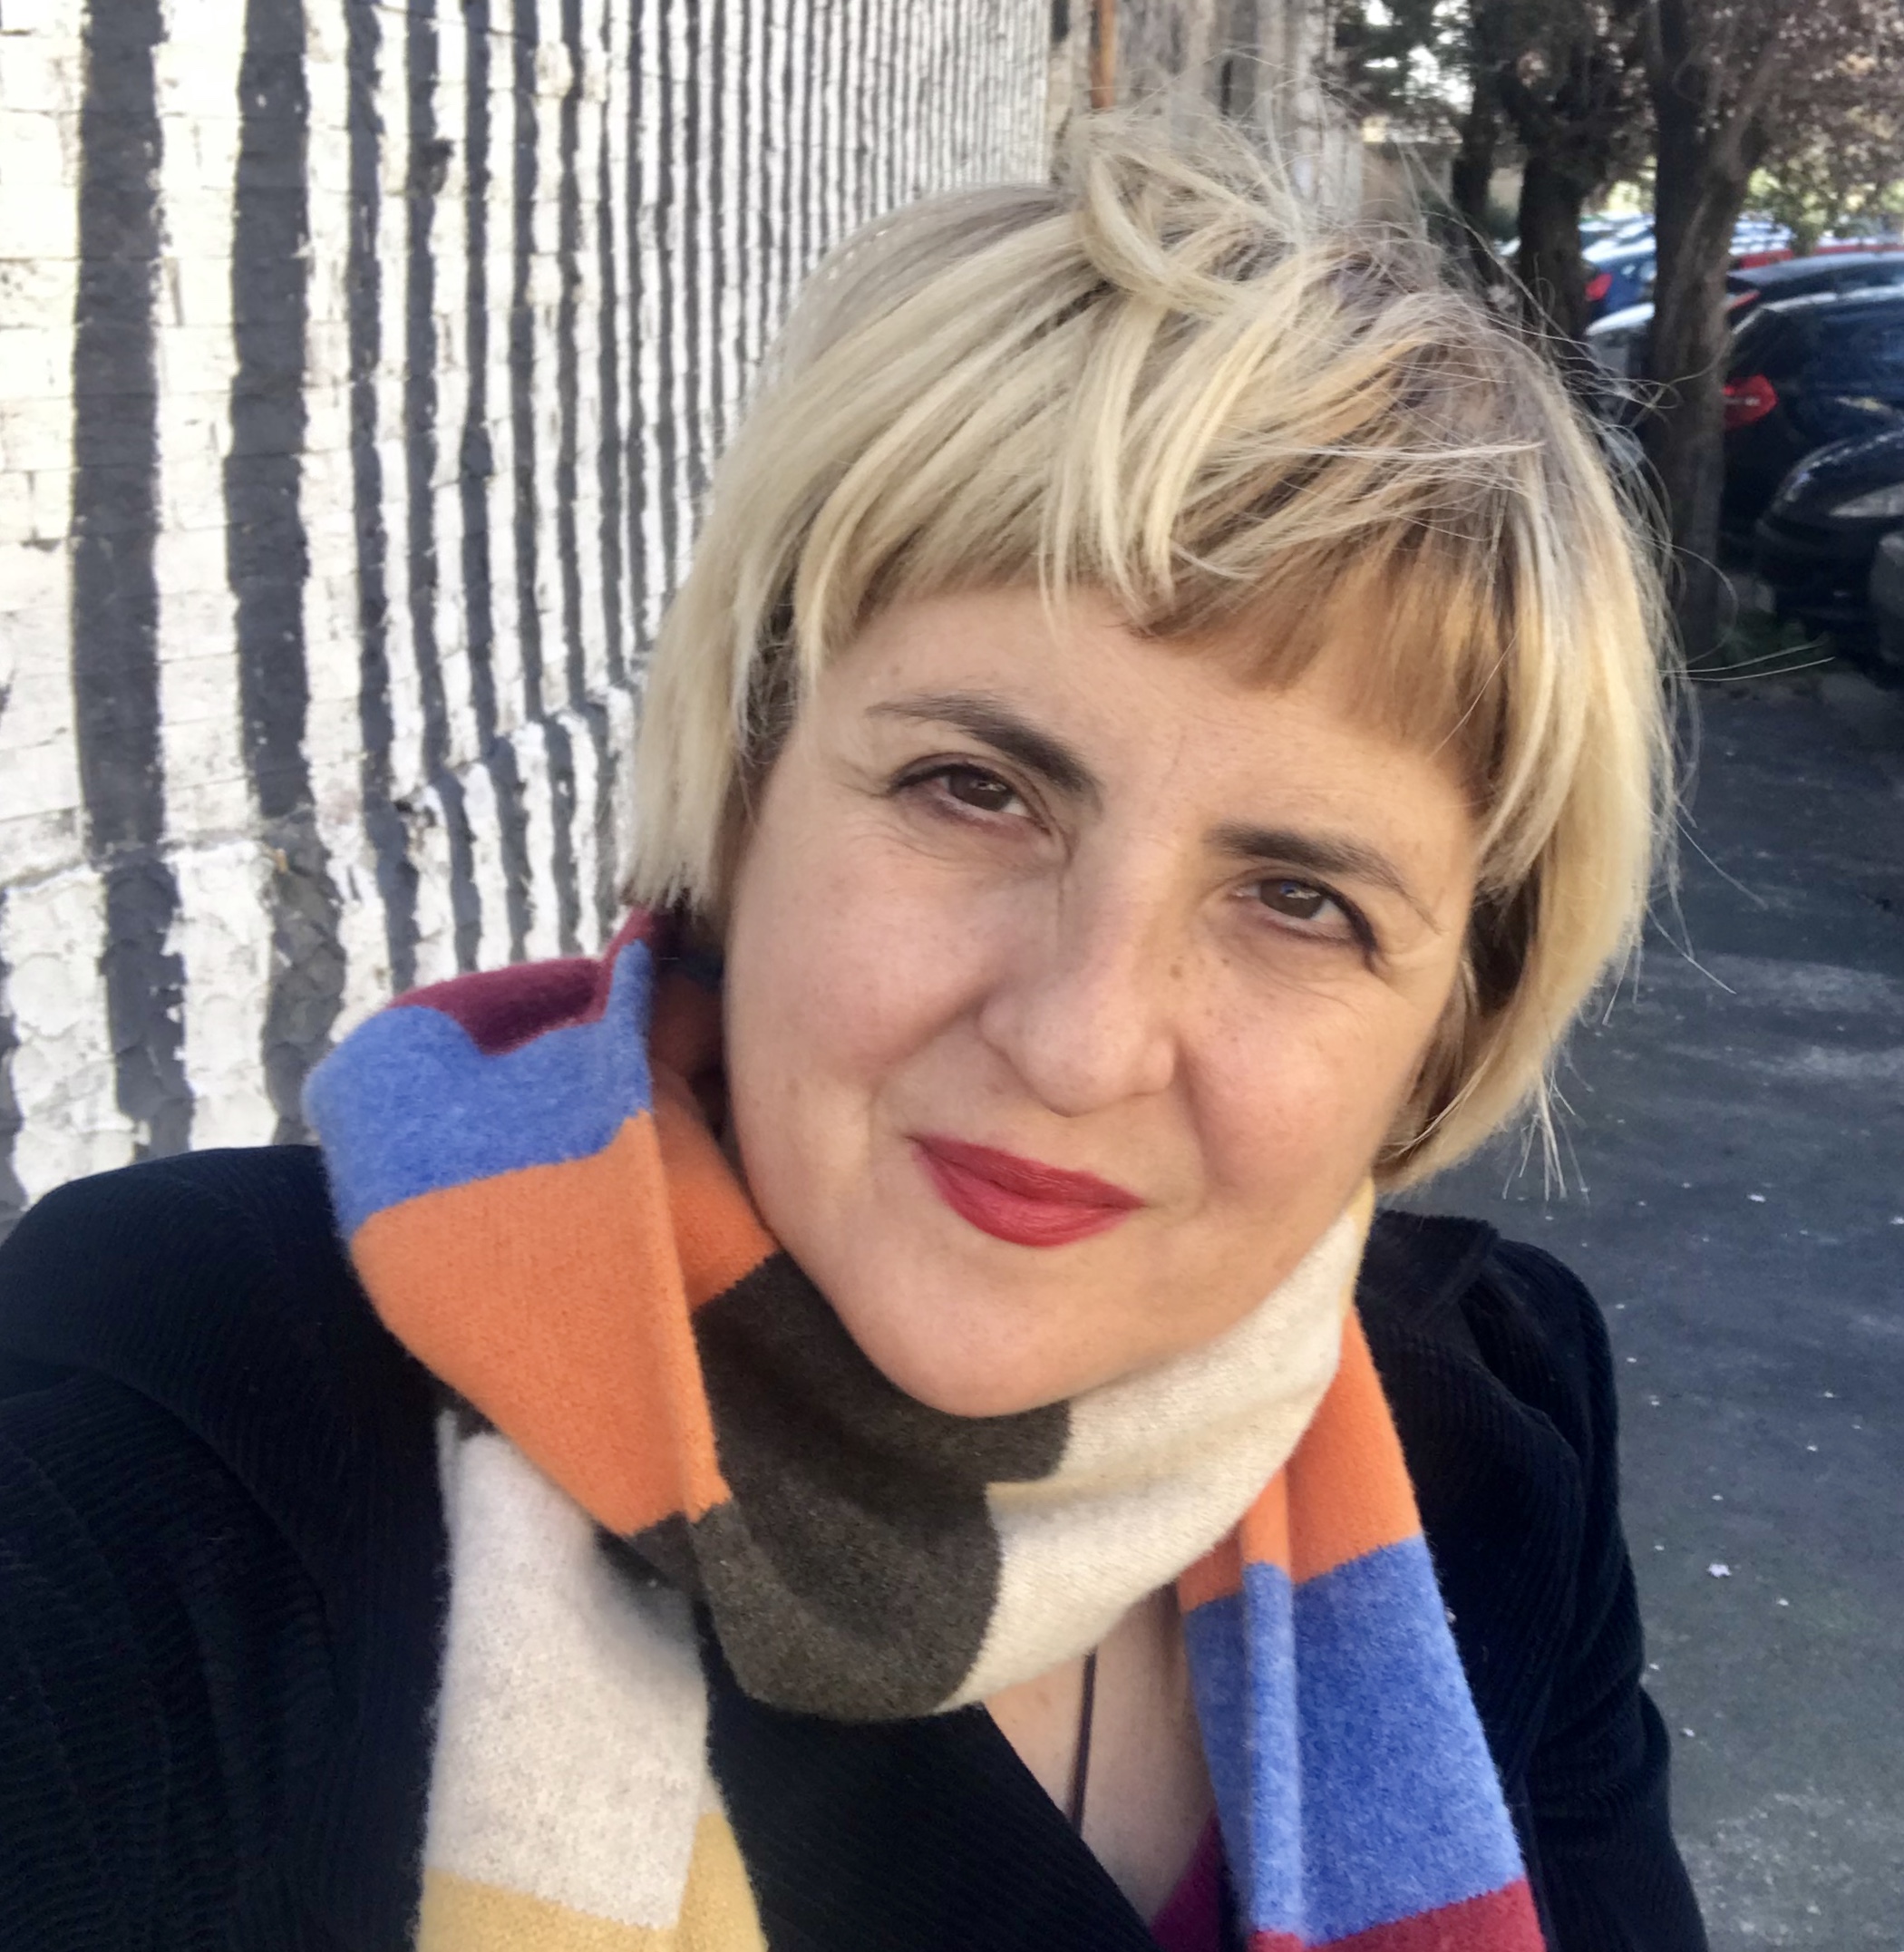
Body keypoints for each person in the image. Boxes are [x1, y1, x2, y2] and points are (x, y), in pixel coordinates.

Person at [0, 115, 1706, 1952]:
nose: (1080, 1041)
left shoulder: (1500, 1426)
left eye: (1299, 898)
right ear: (743, 791)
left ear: (1447, 1029)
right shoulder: (206, 1396)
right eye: (976, 788)